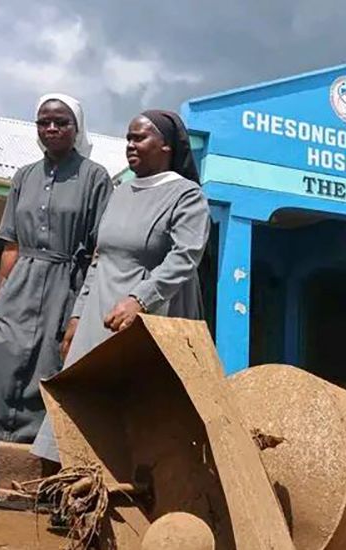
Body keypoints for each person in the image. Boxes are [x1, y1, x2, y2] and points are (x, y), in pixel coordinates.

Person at [0, 94, 113, 503]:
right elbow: (11, 244)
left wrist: (80, 314)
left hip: (66, 285)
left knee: (51, 380)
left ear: (77, 128)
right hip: (20, 286)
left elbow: (100, 252)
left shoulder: (96, 178)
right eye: (43, 122)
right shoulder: (23, 176)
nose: (51, 129)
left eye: (61, 122)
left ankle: (50, 488)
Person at [30, 109, 211, 464]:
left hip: (147, 315)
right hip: (100, 308)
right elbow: (100, 258)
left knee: (133, 405)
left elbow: (185, 257)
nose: (130, 145)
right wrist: (78, 316)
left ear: (166, 147)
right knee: (80, 399)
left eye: (140, 138)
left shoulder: (186, 196)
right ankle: (69, 495)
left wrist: (139, 299)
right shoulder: (121, 191)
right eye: (128, 137)